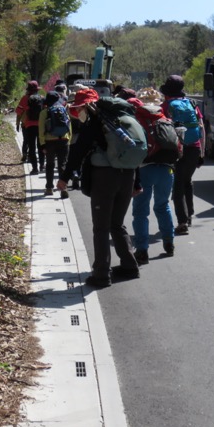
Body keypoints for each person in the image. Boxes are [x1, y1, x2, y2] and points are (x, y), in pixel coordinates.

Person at [56, 88, 141, 288]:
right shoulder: (121, 119)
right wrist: (137, 182)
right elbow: (134, 152)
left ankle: (101, 275)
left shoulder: (95, 123)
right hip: (127, 175)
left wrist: (64, 178)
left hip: (105, 177)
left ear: (85, 106)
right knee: (117, 223)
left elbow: (78, 151)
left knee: (101, 227)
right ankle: (130, 266)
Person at [127, 97, 177, 263]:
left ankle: (142, 250)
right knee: (163, 206)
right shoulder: (164, 120)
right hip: (166, 168)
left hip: (145, 169)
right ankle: (169, 242)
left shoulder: (138, 123)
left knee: (141, 211)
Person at [159, 75, 205, 235]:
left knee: (177, 184)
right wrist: (202, 152)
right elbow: (201, 127)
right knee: (187, 181)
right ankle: (189, 215)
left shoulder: (166, 105)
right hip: (195, 147)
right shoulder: (191, 103)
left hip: (178, 149)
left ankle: (182, 221)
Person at [38, 91, 71, 198]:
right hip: (64, 140)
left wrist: (42, 144)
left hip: (50, 141)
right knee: (62, 165)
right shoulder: (63, 109)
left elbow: (41, 129)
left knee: (50, 164)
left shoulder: (44, 112)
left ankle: (49, 188)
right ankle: (63, 189)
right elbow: (69, 126)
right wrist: (68, 140)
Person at [15, 80, 44, 175]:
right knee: (41, 146)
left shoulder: (25, 98)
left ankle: (34, 168)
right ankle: (42, 166)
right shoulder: (42, 98)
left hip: (29, 125)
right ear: (37, 89)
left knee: (31, 147)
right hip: (41, 126)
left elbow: (18, 112)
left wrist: (18, 122)